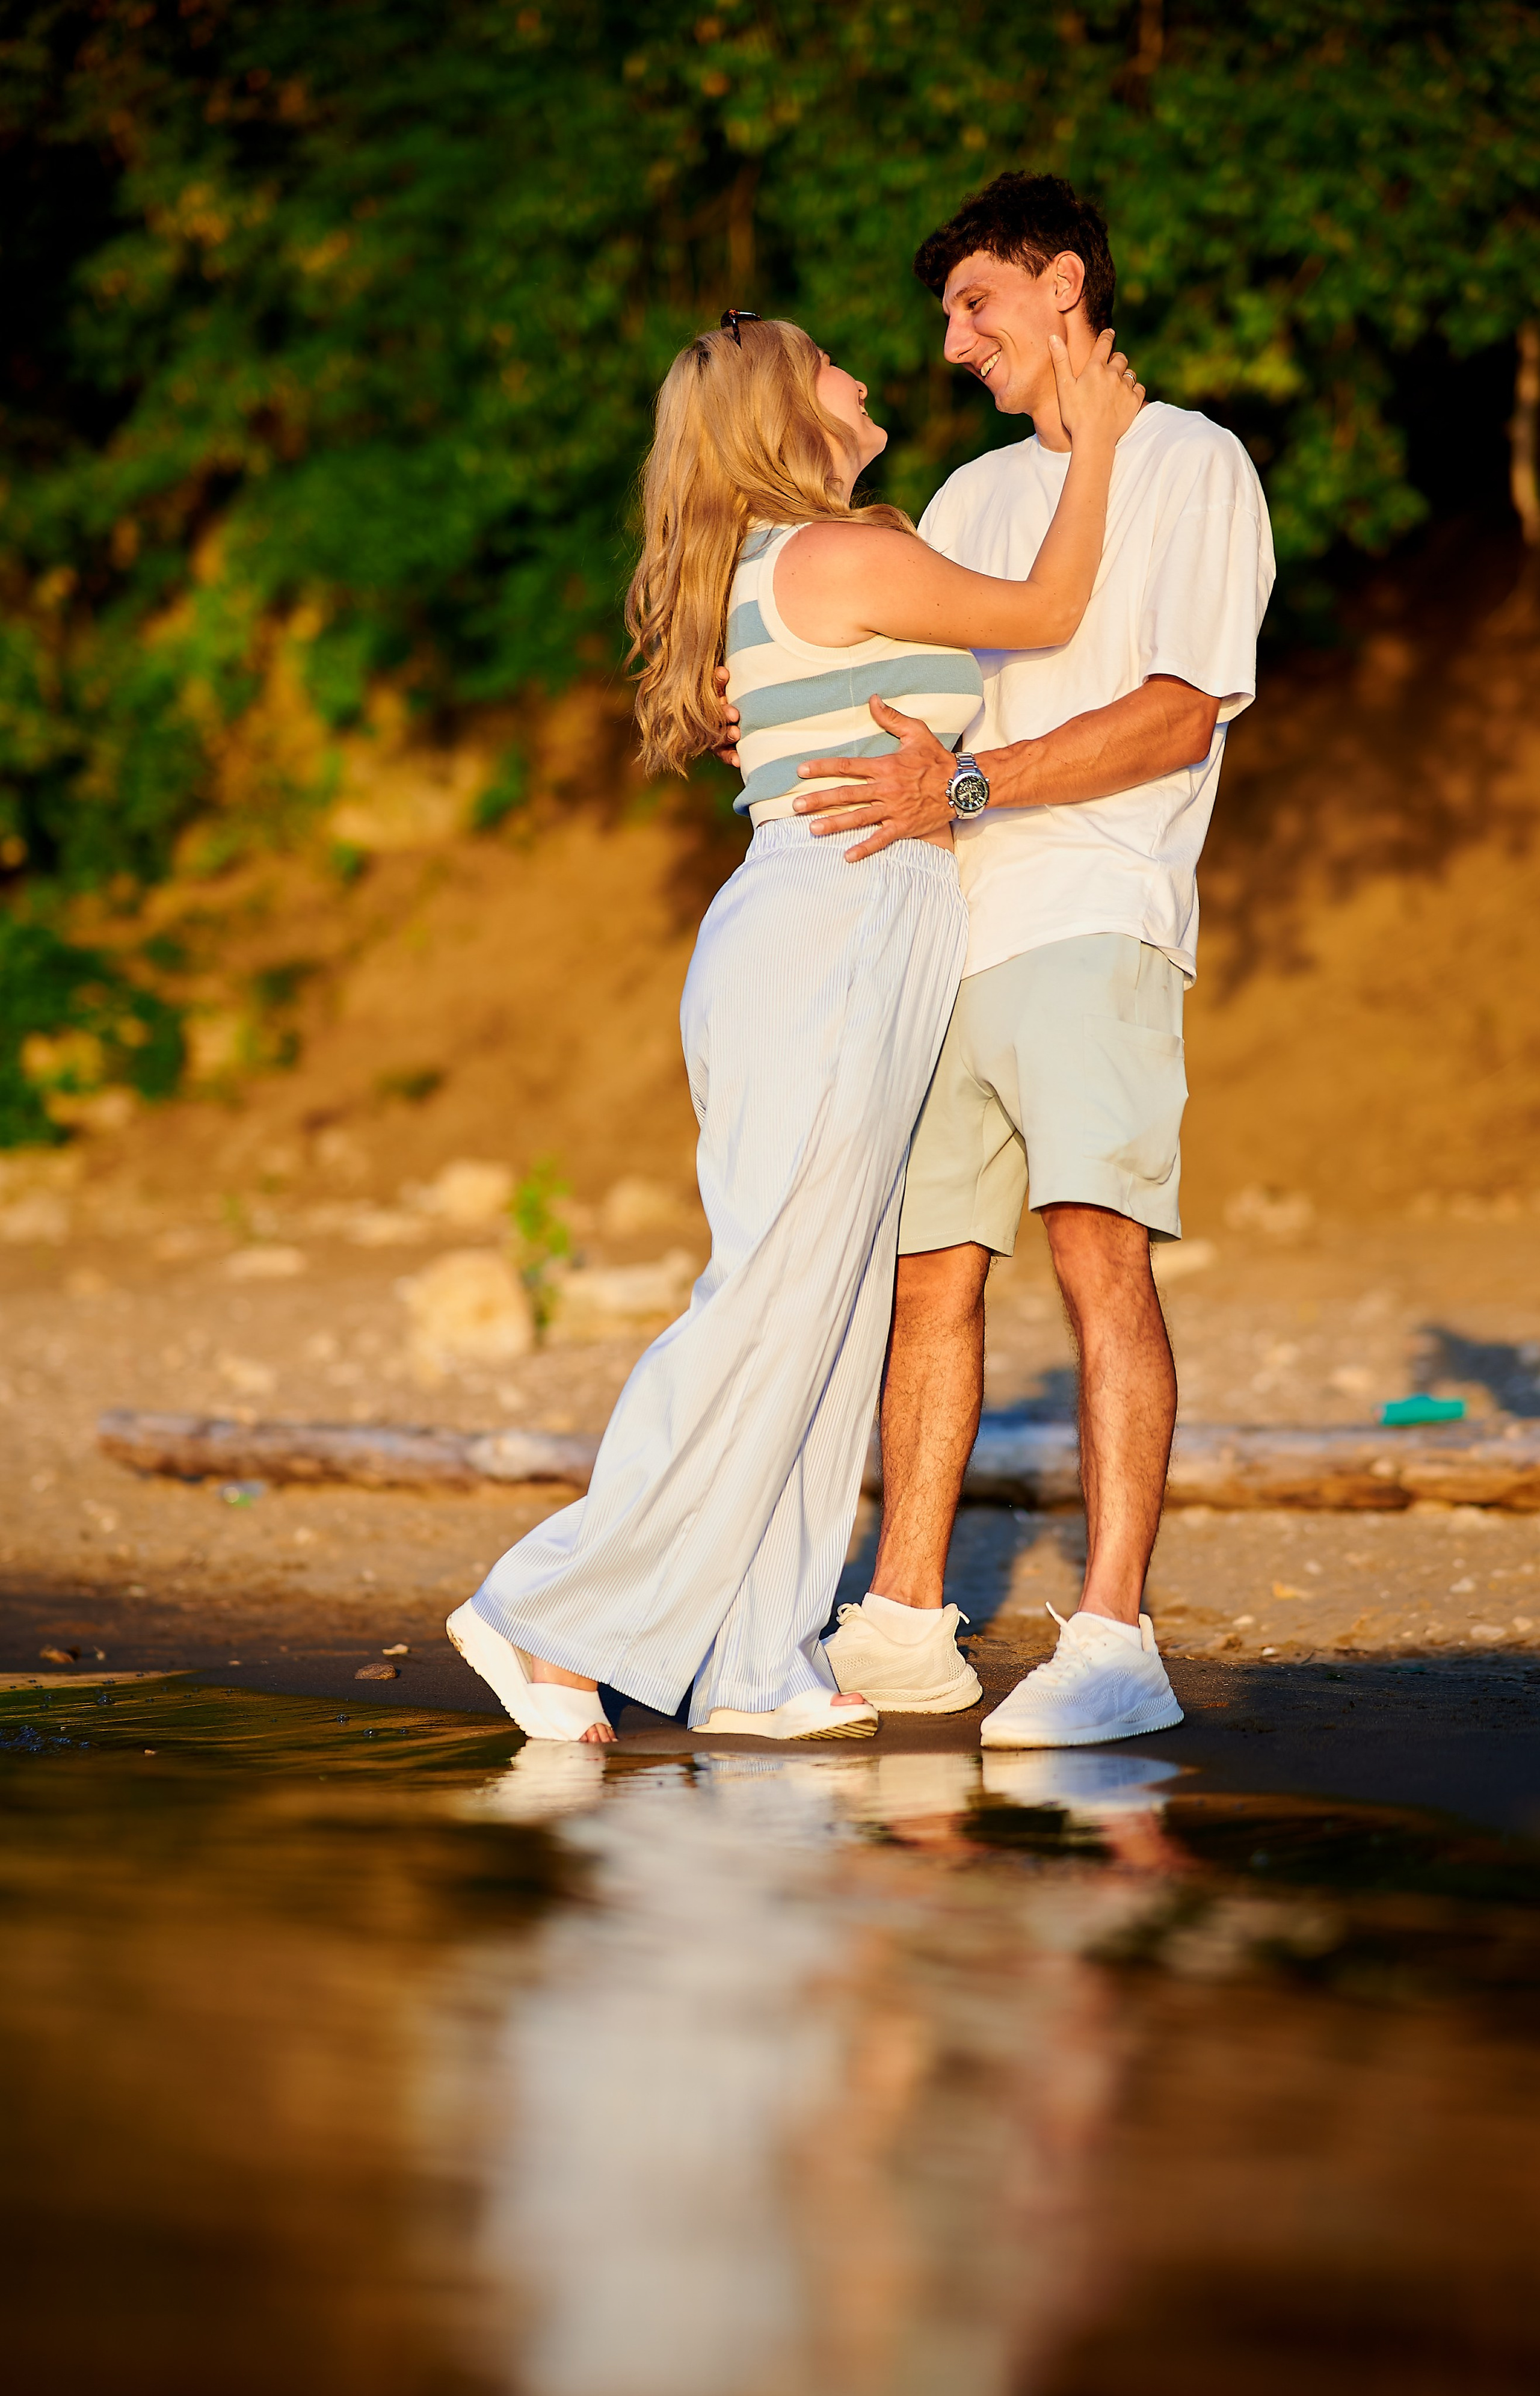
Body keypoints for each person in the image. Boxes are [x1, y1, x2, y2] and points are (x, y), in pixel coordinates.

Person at [446, 307, 1144, 1743]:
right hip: (830, 926)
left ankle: (758, 1656)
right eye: (832, 363)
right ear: (780, 406)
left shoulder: (788, 562)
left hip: (846, 925)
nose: (865, 374)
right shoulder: (833, 553)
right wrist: (1104, 444)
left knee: (827, 1303)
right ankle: (544, 1609)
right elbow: (1052, 612)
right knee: (773, 1294)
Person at [777, 174, 1276, 1747]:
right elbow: (907, 711)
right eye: (941, 317)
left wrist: (971, 784)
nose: (951, 342)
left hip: (1092, 916)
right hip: (949, 933)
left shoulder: (1194, 462)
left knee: (1094, 1255)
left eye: (974, 304)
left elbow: (1176, 709)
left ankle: (1117, 1635)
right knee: (929, 1280)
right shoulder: (977, 497)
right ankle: (906, 1621)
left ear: (1064, 285)